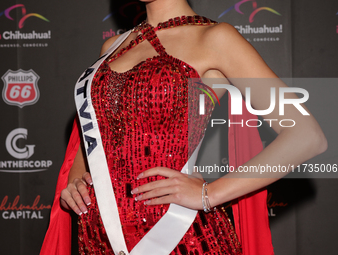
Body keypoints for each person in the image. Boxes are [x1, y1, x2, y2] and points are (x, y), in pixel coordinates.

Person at [41, 0, 327, 254]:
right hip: (99, 235)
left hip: (181, 234)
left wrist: (209, 194)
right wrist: (77, 178)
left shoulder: (215, 38)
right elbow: (96, 133)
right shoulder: (112, 47)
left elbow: (307, 136)